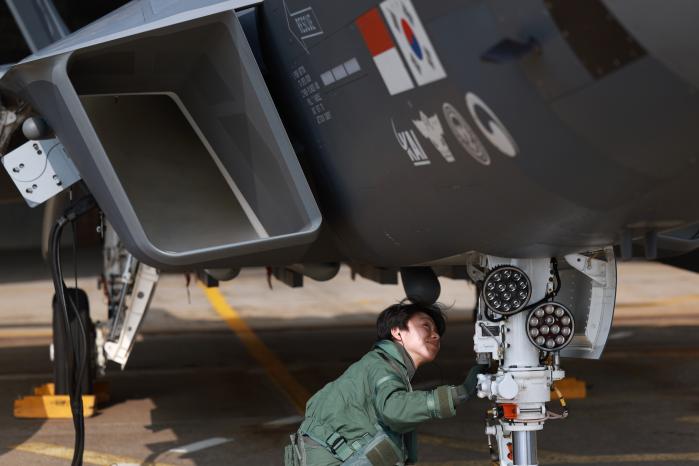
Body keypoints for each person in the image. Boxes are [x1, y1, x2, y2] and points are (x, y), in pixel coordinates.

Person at [284, 299, 488, 466]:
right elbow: (394, 410)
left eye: (437, 332)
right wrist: (458, 393)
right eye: (426, 326)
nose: (435, 335)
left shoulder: (386, 366)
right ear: (397, 332)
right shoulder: (381, 367)